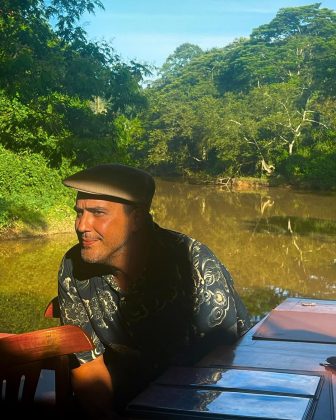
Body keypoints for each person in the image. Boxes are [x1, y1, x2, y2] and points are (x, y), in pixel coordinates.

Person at [57, 163, 251, 419]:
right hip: (127, 404)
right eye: (79, 212)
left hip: (202, 403)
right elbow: (88, 367)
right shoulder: (74, 267)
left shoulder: (193, 265)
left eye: (98, 213)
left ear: (137, 218)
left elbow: (220, 369)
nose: (82, 226)